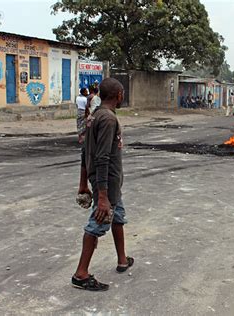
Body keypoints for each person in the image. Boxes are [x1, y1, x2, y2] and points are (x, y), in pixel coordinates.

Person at [72, 78, 134, 291]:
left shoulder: (94, 117)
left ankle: (122, 259)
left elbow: (85, 151)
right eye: (122, 93)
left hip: (107, 185)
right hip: (106, 184)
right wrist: (102, 196)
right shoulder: (107, 119)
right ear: (118, 95)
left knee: (118, 217)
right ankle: (81, 274)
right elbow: (101, 158)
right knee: (98, 223)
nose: (123, 96)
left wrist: (83, 184)